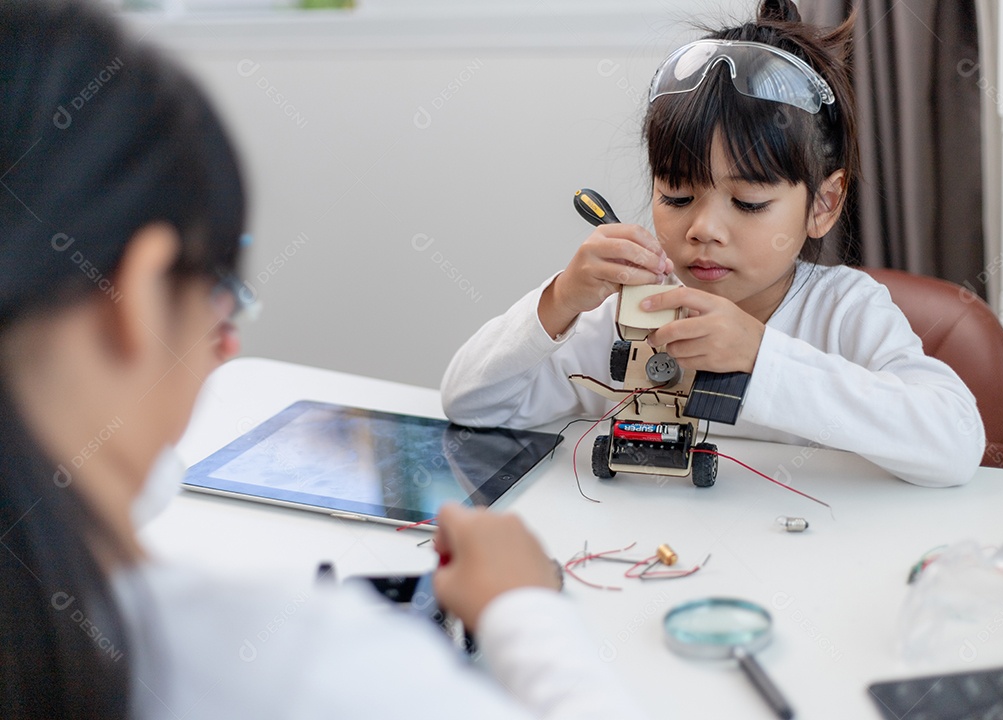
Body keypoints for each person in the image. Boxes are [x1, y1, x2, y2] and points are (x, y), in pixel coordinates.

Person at [0, 3, 648, 718]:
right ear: (141, 296)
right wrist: (525, 608)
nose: (230, 342)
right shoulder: (290, 669)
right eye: (221, 287)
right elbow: (475, 395)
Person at [441, 0, 985, 488]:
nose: (704, 228)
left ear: (823, 203)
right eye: (677, 196)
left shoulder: (845, 311)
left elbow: (956, 443)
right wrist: (559, 300)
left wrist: (759, 355)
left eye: (747, 203)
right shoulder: (632, 312)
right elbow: (472, 403)